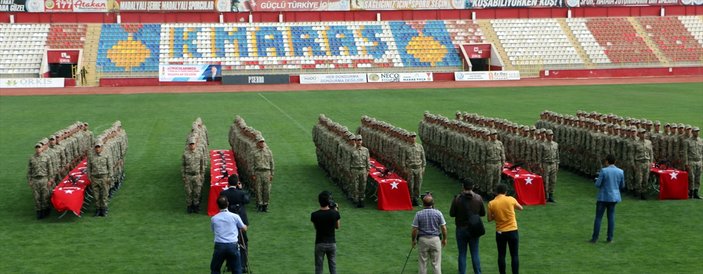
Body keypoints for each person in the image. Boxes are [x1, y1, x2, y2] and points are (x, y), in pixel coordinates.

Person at [450, 181, 486, 274]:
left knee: (462, 254)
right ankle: (478, 272)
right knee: (475, 253)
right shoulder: (478, 198)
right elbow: (482, 213)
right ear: (473, 186)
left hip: (461, 228)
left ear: (463, 187)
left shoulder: (457, 199)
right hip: (474, 229)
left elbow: (452, 214)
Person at [487, 183, 523, 274]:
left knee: (501, 255)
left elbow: (489, 219)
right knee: (514, 255)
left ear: (496, 192)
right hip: (513, 230)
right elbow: (520, 208)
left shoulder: (491, 203)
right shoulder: (511, 199)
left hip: (500, 232)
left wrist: (497, 214)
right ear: (505, 192)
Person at [590, 154, 625, 243]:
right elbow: (622, 185)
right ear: (615, 161)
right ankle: (610, 238)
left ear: (606, 161)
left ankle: (595, 238)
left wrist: (596, 180)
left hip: (603, 197)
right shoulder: (620, 171)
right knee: (611, 217)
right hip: (613, 197)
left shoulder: (604, 171)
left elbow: (598, 184)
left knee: (598, 217)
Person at [220, 174, 251, 273]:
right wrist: (241, 189)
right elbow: (247, 200)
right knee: (243, 242)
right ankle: (242, 265)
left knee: (229, 242)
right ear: (237, 182)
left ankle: (230, 264)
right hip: (240, 220)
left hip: (228, 221)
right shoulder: (241, 193)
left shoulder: (223, 193)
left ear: (228, 183)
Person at [411, 192, 447, 274]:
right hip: (435, 240)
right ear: (433, 203)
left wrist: (413, 240)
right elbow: (443, 227)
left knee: (422, 264)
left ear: (423, 203)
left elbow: (414, 229)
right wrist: (444, 239)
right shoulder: (438, 213)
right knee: (436, 264)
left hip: (423, 240)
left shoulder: (418, 214)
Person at [211, 196, 248, 274]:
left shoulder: (214, 218)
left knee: (215, 269)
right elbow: (244, 228)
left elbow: (214, 230)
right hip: (232, 245)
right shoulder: (235, 216)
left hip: (219, 246)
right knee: (237, 269)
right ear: (227, 204)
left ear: (218, 205)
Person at [311, 191, 340, 274]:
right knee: (333, 267)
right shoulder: (335, 213)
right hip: (331, 243)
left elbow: (316, 227)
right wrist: (336, 210)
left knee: (319, 268)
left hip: (319, 243)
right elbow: (337, 226)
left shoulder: (314, 215)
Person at [27, 140, 54, 219]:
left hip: (44, 179)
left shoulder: (46, 157)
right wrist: (30, 180)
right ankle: (39, 212)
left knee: (45, 196)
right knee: (36, 197)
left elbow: (50, 169)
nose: (38, 149)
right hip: (35, 180)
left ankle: (45, 210)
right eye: (36, 148)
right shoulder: (32, 158)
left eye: (39, 147)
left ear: (42, 148)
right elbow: (29, 170)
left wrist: (50, 180)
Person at [88, 141, 113, 217]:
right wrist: (89, 177)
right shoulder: (91, 156)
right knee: (96, 195)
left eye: (99, 147)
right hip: (94, 177)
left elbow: (110, 166)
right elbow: (89, 167)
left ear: (102, 147)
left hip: (104, 176)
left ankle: (104, 209)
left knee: (105, 194)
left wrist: (110, 176)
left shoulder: (106, 155)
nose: (97, 149)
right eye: (96, 147)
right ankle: (98, 209)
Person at [182, 137, 205, 213]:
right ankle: (189, 206)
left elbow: (202, 165)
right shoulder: (185, 154)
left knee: (197, 192)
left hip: (197, 175)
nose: (192, 146)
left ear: (195, 144)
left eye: (193, 144)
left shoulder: (199, 153)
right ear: (189, 145)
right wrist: (184, 176)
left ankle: (196, 206)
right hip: (188, 175)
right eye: (190, 144)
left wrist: (202, 175)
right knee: (189, 192)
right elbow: (183, 165)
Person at [252, 136, 274, 212]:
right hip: (258, 172)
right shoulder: (254, 152)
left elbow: (272, 163)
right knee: (258, 189)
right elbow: (251, 163)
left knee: (267, 190)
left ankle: (265, 205)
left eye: (263, 142)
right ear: (257, 143)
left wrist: (272, 173)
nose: (262, 143)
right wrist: (253, 174)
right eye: (260, 142)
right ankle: (259, 205)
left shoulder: (268, 152)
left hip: (267, 172)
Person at [349, 135, 370, 208]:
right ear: (355, 141)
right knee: (355, 186)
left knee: (363, 186)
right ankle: (356, 200)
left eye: (360, 140)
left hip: (363, 170)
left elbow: (368, 160)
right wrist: (349, 171)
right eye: (358, 140)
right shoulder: (352, 150)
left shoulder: (366, 150)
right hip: (355, 169)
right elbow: (349, 161)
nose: (359, 141)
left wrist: (368, 170)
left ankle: (362, 200)